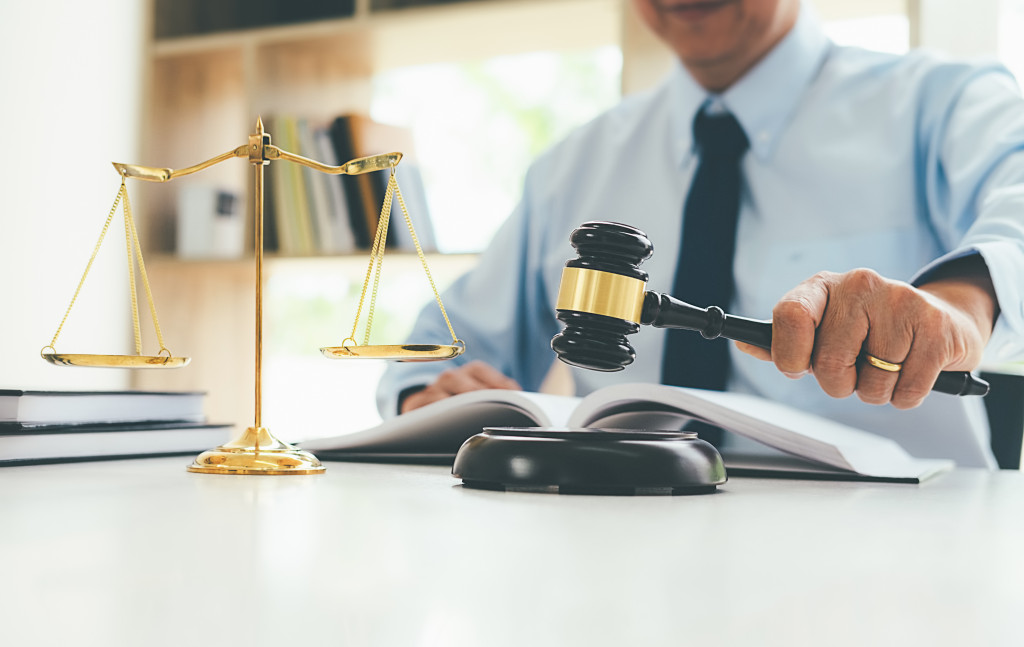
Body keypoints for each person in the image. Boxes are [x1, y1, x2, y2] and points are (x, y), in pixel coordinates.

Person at [377, 0, 1024, 468]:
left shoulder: (941, 103)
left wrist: (961, 301)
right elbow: (442, 344)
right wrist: (426, 397)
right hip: (623, 544)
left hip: (902, 557)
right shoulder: (572, 168)